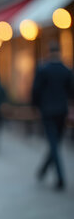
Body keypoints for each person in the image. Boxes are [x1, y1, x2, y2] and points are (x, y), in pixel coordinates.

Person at [32, 42, 73, 191]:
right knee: (56, 143)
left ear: (49, 52)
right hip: (61, 110)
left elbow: (35, 90)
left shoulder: (43, 69)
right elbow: (71, 91)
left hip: (47, 111)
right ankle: (43, 170)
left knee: (54, 143)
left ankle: (60, 177)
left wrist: (35, 107)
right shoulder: (66, 70)